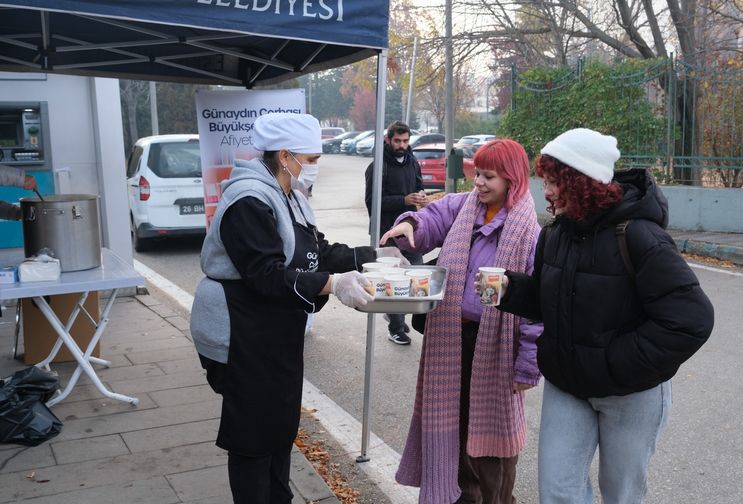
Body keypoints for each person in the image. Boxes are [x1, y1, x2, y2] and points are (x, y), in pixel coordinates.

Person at [482, 129, 714, 504]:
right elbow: (549, 299)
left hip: (631, 393)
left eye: (556, 182)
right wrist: (511, 290)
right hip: (568, 385)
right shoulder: (554, 235)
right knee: (558, 492)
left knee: (620, 494)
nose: (548, 191)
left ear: (582, 183)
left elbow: (692, 320)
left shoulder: (640, 236)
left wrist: (616, 362)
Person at [189, 113, 406, 504]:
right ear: (285, 155)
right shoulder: (249, 201)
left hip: (275, 330)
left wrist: (372, 255)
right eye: (313, 159)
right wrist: (333, 284)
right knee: (254, 435)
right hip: (241, 331)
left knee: (280, 425)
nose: (315, 168)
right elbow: (265, 275)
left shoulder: (290, 195)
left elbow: (316, 251)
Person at [381, 139, 543, 504]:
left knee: (491, 439)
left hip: (496, 347)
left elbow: (536, 307)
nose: (480, 184)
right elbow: (433, 217)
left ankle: (497, 499)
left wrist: (527, 366)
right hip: (452, 337)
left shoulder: (528, 233)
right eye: (477, 175)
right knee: (452, 427)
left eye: (489, 177)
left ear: (512, 179)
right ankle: (461, 499)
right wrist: (411, 224)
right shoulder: (466, 207)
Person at [365, 120, 426, 345]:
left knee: (415, 274)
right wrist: (403, 200)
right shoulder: (377, 167)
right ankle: (396, 328)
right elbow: (372, 203)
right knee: (397, 279)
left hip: (410, 233)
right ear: (387, 140)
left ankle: (395, 314)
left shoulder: (413, 162)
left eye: (406, 141)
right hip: (386, 233)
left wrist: (420, 197)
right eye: (397, 141)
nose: (402, 145)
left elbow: (418, 187)